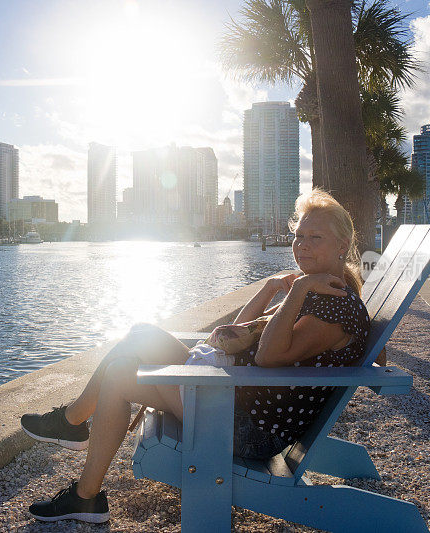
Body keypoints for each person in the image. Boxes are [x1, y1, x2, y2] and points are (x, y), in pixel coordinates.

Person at [19, 188, 371, 524]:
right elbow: (234, 334)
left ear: (342, 245)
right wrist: (270, 288)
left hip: (249, 426)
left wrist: (300, 288)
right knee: (139, 336)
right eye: (299, 236)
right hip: (230, 394)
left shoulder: (330, 304)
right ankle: (78, 453)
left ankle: (77, 450)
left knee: (121, 371)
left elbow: (267, 358)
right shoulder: (320, 291)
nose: (302, 246)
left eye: (315, 238)